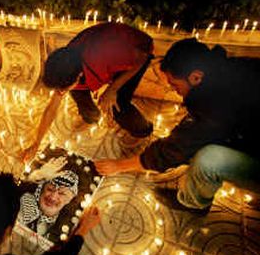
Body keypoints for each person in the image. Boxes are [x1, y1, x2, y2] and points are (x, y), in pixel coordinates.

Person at [95, 38, 260, 211]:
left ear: (196, 77)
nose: (172, 89)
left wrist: (119, 166)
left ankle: (193, 203)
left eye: (174, 84)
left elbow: (174, 150)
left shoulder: (217, 104)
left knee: (207, 160)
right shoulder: (229, 69)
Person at [22, 22, 154, 162]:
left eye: (64, 88)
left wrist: (112, 89)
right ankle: (91, 117)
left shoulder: (104, 53)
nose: (61, 93)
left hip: (138, 51)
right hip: (104, 59)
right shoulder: (66, 62)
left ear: (78, 76)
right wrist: (36, 143)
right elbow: (51, 109)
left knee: (118, 105)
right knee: (78, 94)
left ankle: (142, 131)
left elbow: (142, 57)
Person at [18, 170, 78, 239]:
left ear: (69, 199)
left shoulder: (64, 230)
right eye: (50, 189)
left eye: (62, 193)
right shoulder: (22, 203)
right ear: (41, 188)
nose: (53, 197)